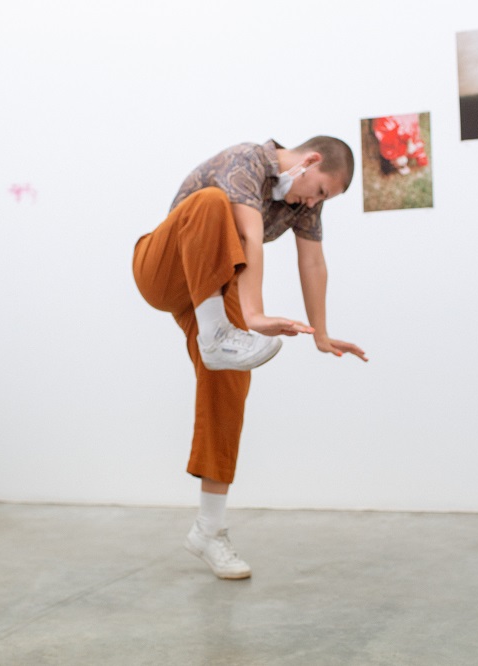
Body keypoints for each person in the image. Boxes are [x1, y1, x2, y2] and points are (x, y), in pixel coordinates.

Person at [132, 136, 367, 579]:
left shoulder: (304, 204)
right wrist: (254, 315)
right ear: (310, 160)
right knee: (210, 203)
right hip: (163, 267)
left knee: (230, 381)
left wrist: (321, 335)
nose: (314, 202)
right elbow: (250, 236)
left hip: (210, 289)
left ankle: (209, 529)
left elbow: (313, 263)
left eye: (324, 200)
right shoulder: (248, 160)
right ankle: (218, 334)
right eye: (319, 190)